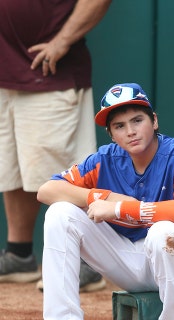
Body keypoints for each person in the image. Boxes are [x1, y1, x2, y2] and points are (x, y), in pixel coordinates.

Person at [36, 83, 174, 319]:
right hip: (127, 260)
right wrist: (102, 197)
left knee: (163, 230)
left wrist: (120, 209)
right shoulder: (104, 158)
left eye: (137, 120)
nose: (130, 131)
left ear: (154, 121)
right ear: (111, 134)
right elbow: (46, 190)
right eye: (119, 126)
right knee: (60, 213)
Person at [0, 0, 111, 291]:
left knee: (63, 174)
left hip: (51, 70)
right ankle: (19, 254)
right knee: (13, 167)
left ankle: (86, 262)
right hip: (6, 69)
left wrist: (63, 40)